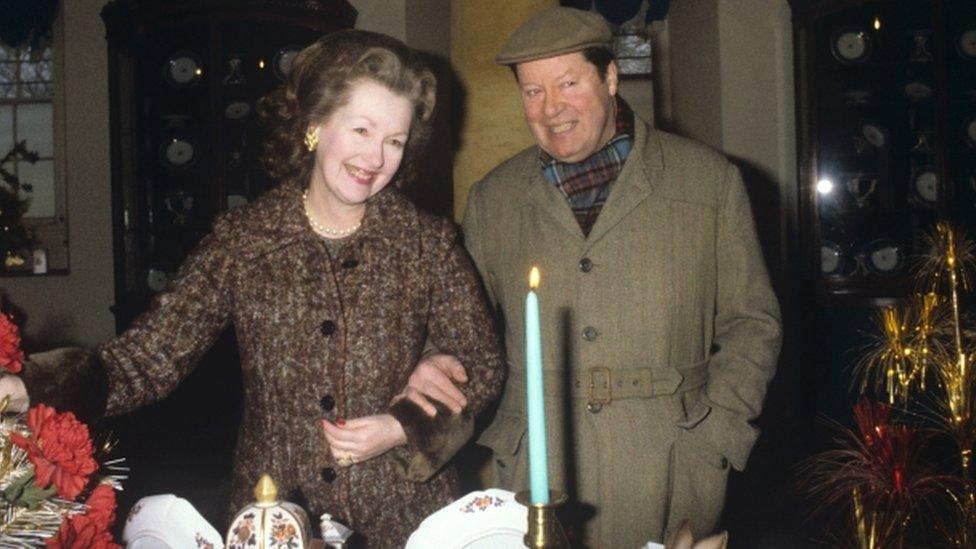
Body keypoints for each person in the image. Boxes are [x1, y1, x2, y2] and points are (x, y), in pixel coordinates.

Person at [3, 30, 504, 548]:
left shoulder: (427, 243)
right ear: (314, 125)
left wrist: (405, 425)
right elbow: (147, 357)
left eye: (394, 141)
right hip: (272, 518)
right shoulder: (245, 242)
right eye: (361, 130)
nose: (375, 158)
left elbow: (482, 364)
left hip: (408, 522)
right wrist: (33, 385)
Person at [407, 7, 782, 547]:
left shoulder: (708, 183)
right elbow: (464, 332)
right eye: (532, 92)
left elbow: (753, 321)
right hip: (539, 468)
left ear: (610, 77)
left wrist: (720, 433)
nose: (550, 108)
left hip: (674, 464)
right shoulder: (495, 199)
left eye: (567, 83)